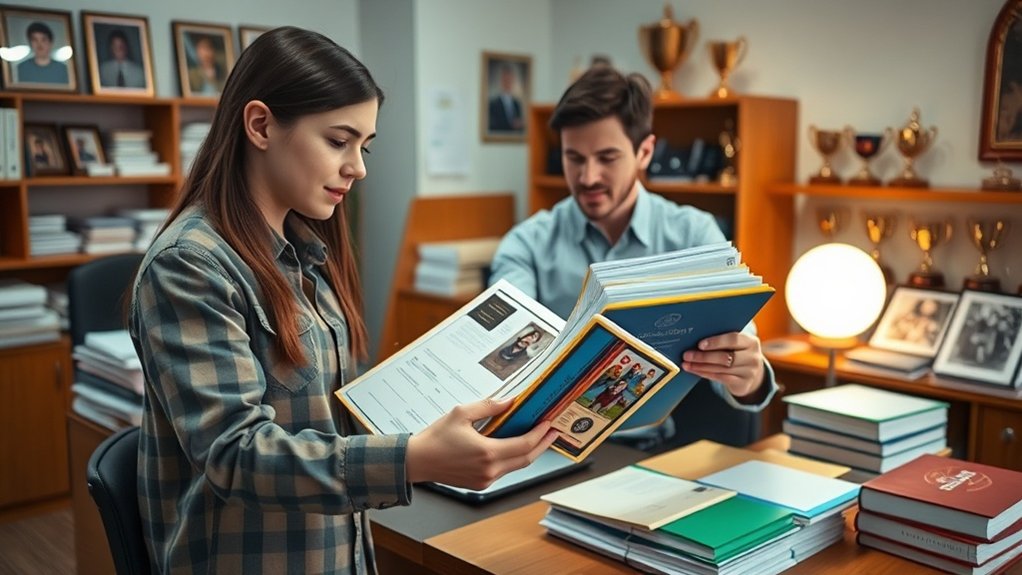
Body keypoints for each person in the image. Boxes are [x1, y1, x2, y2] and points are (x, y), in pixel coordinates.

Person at [128, 26, 556, 573]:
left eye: (364, 145)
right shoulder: (188, 264)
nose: (359, 166)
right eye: (338, 141)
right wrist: (413, 458)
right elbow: (235, 456)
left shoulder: (305, 251)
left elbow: (331, 415)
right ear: (260, 125)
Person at [489, 66, 777, 451]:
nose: (588, 177)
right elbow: (502, 345)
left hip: (651, 453)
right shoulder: (526, 243)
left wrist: (750, 376)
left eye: (607, 157)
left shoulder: (694, 235)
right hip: (541, 453)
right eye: (574, 158)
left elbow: (743, 351)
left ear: (645, 151)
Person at [487, 63, 523, 132]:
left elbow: (521, 127)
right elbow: (492, 126)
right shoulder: (493, 104)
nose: (508, 82)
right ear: (501, 80)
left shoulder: (517, 104)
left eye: (510, 80)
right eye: (505, 79)